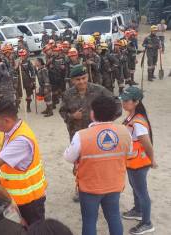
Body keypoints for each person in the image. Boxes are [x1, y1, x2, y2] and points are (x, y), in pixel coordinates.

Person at [64, 95, 132, 235]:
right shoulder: (125, 132)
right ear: (114, 114)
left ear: (92, 113)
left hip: (90, 187)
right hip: (114, 185)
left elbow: (69, 157)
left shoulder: (81, 135)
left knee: (89, 221)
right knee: (114, 217)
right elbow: (128, 152)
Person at [120, 86, 157, 235]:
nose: (123, 103)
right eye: (122, 99)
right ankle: (138, 210)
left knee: (142, 192)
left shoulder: (138, 122)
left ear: (136, 102)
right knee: (135, 187)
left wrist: (152, 160)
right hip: (132, 161)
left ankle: (147, 222)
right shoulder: (131, 116)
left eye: (126, 100)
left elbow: (147, 143)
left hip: (139, 163)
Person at [59, 64, 116, 141]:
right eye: (78, 79)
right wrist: (73, 116)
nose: (81, 81)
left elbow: (115, 101)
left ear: (88, 77)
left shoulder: (99, 90)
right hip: (76, 134)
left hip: (96, 133)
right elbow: (62, 111)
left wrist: (107, 119)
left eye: (84, 78)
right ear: (72, 80)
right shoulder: (67, 94)